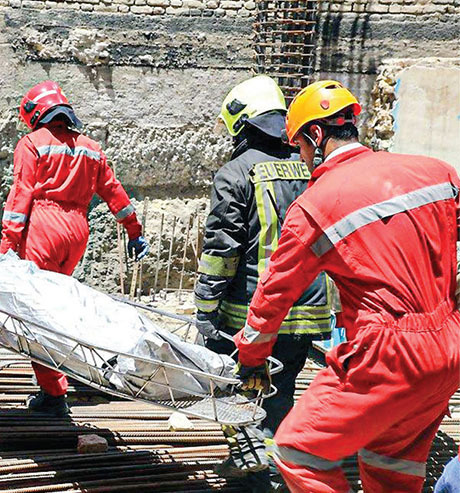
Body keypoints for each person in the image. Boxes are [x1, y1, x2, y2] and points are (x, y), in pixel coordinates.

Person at [233, 80, 460, 492]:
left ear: (316, 135)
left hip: (388, 355)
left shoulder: (317, 204)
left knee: (296, 450)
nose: (302, 160)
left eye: (301, 147)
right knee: (390, 467)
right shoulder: (437, 172)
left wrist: (251, 354)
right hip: (448, 351)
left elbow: (275, 293)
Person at [194, 75, 333, 491]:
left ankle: (254, 474)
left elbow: (221, 252)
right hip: (305, 315)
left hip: (250, 319)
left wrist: (204, 312)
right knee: (280, 394)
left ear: (241, 120)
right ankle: (270, 468)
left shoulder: (236, 173)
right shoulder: (312, 168)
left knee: (236, 397)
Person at [0, 80, 149, 417]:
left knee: (35, 312)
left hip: (43, 227)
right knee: (57, 305)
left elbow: (20, 195)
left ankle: (53, 394)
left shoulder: (32, 143)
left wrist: (8, 244)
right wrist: (134, 232)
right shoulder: (91, 148)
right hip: (77, 231)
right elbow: (115, 193)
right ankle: (58, 382)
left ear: (37, 115)